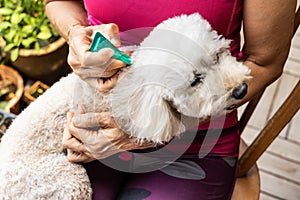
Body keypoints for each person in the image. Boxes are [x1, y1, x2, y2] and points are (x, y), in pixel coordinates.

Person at [44, 0, 296, 199]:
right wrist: (76, 32)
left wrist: (148, 128)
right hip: (94, 123)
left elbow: (265, 62)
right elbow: (58, 2)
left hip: (197, 138)